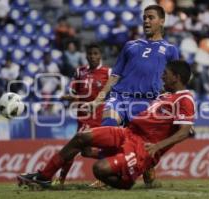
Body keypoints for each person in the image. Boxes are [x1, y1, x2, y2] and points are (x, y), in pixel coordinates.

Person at [17, 60, 195, 190]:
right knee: (82, 137)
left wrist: (157, 147)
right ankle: (44, 177)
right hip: (127, 133)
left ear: (176, 77)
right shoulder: (164, 95)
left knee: (99, 169)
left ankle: (127, 180)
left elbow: (185, 132)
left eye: (166, 73)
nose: (162, 75)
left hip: (141, 149)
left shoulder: (185, 99)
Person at [82, 5, 179, 186]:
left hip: (147, 102)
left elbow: (174, 80)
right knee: (108, 128)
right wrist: (98, 99)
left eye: (151, 17)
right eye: (144, 18)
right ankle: (104, 177)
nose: (146, 21)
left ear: (162, 21)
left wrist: (171, 104)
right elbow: (115, 75)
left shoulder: (170, 50)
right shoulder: (130, 46)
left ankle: (145, 165)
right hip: (120, 97)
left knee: (137, 144)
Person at [57, 43, 110, 186]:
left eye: (96, 54)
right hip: (83, 118)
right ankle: (112, 163)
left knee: (72, 149)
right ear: (85, 55)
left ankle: (60, 180)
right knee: (86, 152)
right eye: (90, 54)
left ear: (100, 56)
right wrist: (67, 97)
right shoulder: (80, 72)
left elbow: (114, 93)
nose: (93, 57)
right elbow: (74, 93)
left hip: (99, 118)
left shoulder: (108, 73)